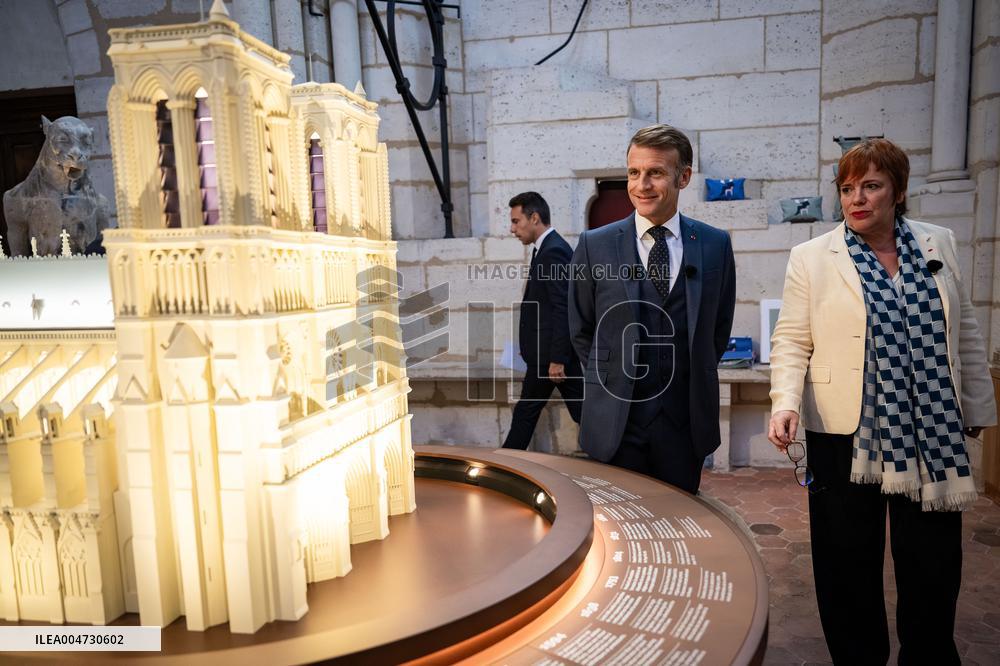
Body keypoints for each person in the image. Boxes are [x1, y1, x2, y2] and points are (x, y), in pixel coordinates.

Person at [767, 138, 997, 665]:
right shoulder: (812, 257)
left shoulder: (939, 242)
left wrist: (977, 408)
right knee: (845, 561)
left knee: (933, 560)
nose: (857, 199)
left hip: (931, 428)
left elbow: (964, 330)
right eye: (847, 188)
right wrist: (785, 402)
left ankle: (929, 654)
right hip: (843, 429)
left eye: (871, 186)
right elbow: (792, 339)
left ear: (899, 191)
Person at [568, 125, 736, 494]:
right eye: (634, 172)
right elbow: (581, 329)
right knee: (619, 526)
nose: (641, 185)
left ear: (683, 177)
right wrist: (612, 374)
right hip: (617, 425)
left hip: (684, 425)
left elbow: (718, 329)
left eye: (655, 172)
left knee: (681, 522)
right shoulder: (594, 245)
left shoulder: (715, 245)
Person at [502, 192, 582, 450]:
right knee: (530, 414)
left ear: (534, 218)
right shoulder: (546, 249)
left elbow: (563, 307)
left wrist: (558, 359)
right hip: (546, 356)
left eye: (516, 221)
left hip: (551, 359)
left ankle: (505, 461)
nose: (512, 229)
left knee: (527, 415)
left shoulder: (553, 251)